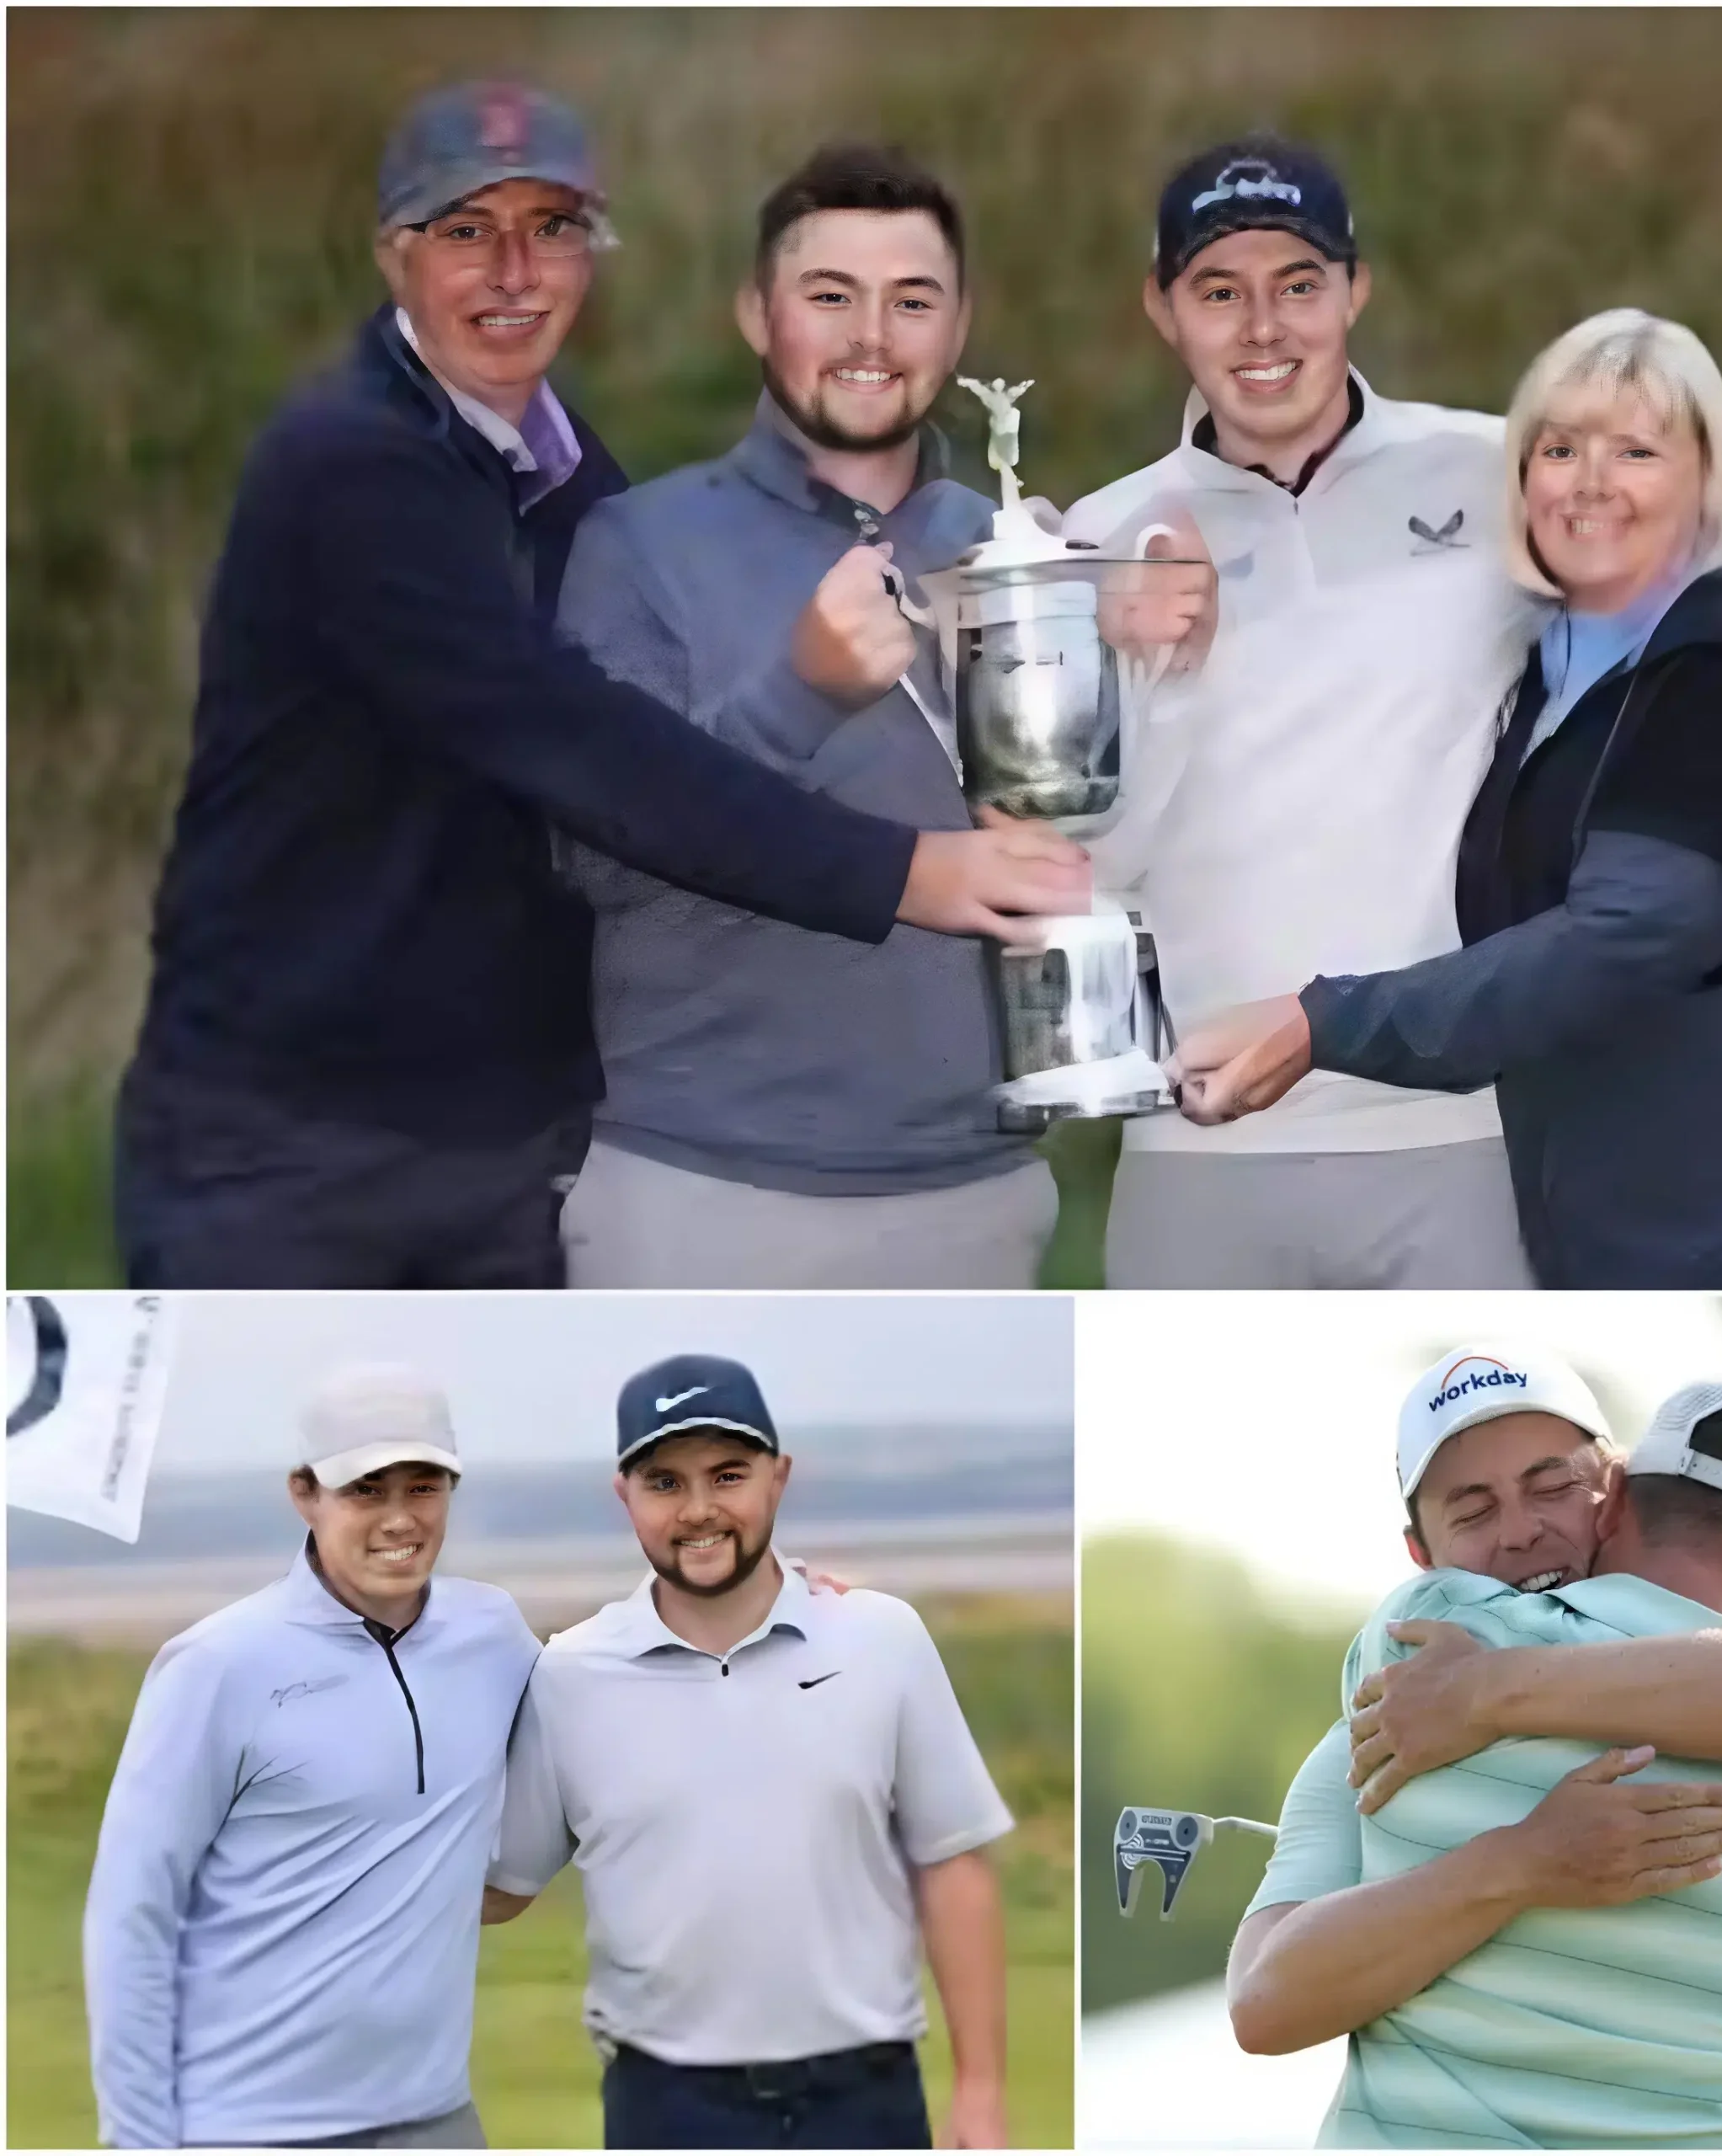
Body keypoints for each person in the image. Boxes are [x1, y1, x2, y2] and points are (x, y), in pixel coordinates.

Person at [115, 83, 1086, 1291]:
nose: (514, 272)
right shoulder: (356, 468)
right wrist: (908, 873)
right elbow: (595, 759)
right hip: (289, 1140)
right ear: (392, 253)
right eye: (467, 231)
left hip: (504, 1136)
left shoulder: (576, 488)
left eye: (554, 229)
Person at [1059, 137, 1722, 1289]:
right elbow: (1079, 855)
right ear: (1162, 307)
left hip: (1468, 1131)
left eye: (1299, 287)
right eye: (1220, 293)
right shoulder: (1099, 537)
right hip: (1198, 1136)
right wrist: (1142, 671)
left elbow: (1708, 627)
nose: (1262, 329)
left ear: (1355, 291)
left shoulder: (1498, 471)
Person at [1230, 1348, 1722, 2148]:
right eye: (1472, 1511)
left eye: (1550, 1488)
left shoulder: (1421, 1661)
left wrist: (1488, 1693)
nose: (1521, 1532)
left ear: (1612, 1499)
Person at [550, 145, 1054, 1289]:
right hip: (703, 1194)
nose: (871, 335)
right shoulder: (638, 549)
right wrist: (800, 692)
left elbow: (1088, 843)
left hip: (980, 1194)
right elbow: (592, 860)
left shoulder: (1021, 549)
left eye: (910, 301)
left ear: (959, 325)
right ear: (756, 313)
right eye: (831, 296)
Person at [482, 1353, 1013, 2150]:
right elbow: (502, 1886)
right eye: (665, 1483)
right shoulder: (567, 1674)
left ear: (779, 1477)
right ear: (624, 1496)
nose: (699, 1510)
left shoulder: (881, 1638)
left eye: (727, 1475)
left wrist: (980, 2093)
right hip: (668, 2107)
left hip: (864, 2102)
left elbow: (953, 1865)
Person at [83, 1367, 538, 2149]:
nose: (401, 1519)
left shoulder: (492, 1633)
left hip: (436, 2121)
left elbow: (613, 1691)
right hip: (245, 2130)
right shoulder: (218, 1665)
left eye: (423, 1487)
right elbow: (132, 1918)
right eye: (367, 1490)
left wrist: (789, 1596)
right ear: (305, 1493)